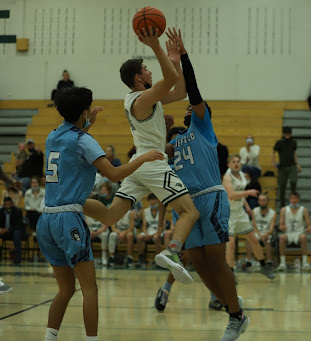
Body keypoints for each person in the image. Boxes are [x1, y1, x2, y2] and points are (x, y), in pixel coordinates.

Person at [35, 86, 164, 341]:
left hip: (46, 219)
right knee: (89, 288)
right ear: (84, 111)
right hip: (68, 219)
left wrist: (86, 125)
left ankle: (49, 338)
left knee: (65, 289)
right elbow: (114, 175)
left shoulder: (52, 136)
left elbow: (71, 145)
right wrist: (142, 158)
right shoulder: (85, 140)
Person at [151, 30, 251, 339]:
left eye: (193, 108)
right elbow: (148, 150)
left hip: (211, 197)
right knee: (197, 262)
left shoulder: (204, 128)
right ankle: (230, 303)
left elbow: (192, 90)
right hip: (186, 205)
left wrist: (182, 57)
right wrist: (161, 128)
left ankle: (235, 316)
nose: (188, 109)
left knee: (215, 257)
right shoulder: (176, 140)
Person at [83, 27, 199, 285]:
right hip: (152, 162)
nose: (150, 71)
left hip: (140, 166)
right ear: (138, 77)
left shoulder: (145, 99)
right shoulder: (141, 101)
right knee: (190, 212)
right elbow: (169, 80)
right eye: (146, 68)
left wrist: (175, 58)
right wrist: (157, 47)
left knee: (110, 216)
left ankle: (69, 202)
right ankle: (172, 251)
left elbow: (180, 92)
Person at [223, 154, 275, 277]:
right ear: (229, 165)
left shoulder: (242, 175)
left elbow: (239, 193)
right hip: (228, 213)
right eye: (233, 161)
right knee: (230, 244)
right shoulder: (227, 177)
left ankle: (263, 266)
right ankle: (230, 273)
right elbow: (231, 195)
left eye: (238, 161)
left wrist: (246, 205)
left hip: (240, 212)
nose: (236, 163)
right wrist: (249, 192)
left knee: (253, 238)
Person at [276, 192, 311, 271]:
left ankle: (305, 262)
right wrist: (282, 227)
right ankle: (282, 263)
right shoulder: (284, 210)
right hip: (288, 233)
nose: (294, 200)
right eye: (292, 198)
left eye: (296, 198)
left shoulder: (304, 210)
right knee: (281, 237)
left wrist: (309, 228)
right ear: (289, 199)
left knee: (303, 237)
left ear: (298, 199)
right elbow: (280, 225)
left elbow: (309, 224)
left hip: (299, 233)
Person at [272, 126, 301, 208]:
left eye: (289, 134)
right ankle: (282, 202)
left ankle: (293, 199)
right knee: (282, 185)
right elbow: (273, 152)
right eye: (286, 134)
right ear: (283, 134)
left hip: (292, 165)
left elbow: (294, 154)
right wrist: (273, 162)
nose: (287, 136)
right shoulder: (279, 142)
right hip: (282, 167)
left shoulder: (294, 142)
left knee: (293, 181)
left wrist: (297, 164)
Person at [136, 194, 165, 266]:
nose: (152, 201)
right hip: (149, 231)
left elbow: (162, 226)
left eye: (154, 199)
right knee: (139, 237)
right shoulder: (145, 211)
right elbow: (144, 225)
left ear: (157, 201)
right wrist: (146, 234)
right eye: (150, 200)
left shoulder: (162, 211)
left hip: (158, 232)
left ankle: (157, 260)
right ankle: (141, 258)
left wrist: (152, 235)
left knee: (156, 238)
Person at [251, 193, 276, 264]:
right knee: (250, 238)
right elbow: (254, 226)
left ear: (268, 201)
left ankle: (269, 261)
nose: (262, 202)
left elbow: (271, 229)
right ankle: (248, 261)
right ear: (258, 201)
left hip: (266, 232)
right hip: (256, 232)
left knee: (268, 239)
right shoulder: (254, 211)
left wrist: (266, 234)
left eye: (264, 200)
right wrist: (259, 235)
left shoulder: (273, 213)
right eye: (260, 200)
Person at [0, 197, 25, 264]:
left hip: (15, 231)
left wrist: (7, 229)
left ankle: (17, 258)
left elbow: (18, 225)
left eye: (9, 204)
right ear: (3, 204)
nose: (8, 206)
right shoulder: (1, 211)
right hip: (4, 232)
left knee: (16, 233)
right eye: (6, 204)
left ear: (12, 204)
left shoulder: (18, 211)